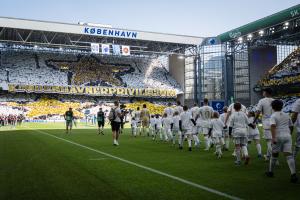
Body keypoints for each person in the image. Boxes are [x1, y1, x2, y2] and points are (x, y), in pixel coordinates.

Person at [265, 100, 298, 183]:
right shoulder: (287, 115)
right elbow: (291, 126)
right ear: (282, 106)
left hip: (278, 136)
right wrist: (289, 134)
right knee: (289, 155)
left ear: (272, 107)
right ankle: (293, 174)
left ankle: (270, 172)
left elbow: (273, 126)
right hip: (287, 136)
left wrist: (273, 138)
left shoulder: (273, 116)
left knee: (274, 154)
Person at [255, 88, 274, 161]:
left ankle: (274, 158)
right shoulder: (274, 100)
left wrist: (254, 121)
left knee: (269, 141)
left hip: (267, 122)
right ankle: (268, 156)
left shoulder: (262, 101)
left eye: (263, 92)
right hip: (275, 121)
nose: (262, 93)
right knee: (272, 140)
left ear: (266, 93)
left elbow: (258, 112)